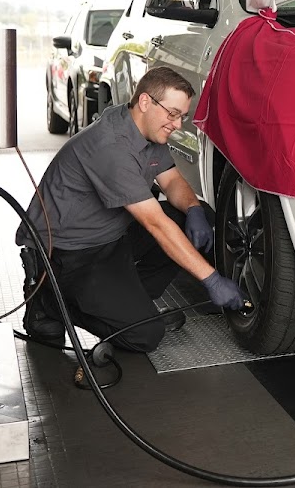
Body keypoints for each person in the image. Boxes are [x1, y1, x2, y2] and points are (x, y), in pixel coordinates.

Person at [19, 66, 246, 352]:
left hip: (110, 237)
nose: (178, 124)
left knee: (194, 215)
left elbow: (173, 181)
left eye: (182, 116)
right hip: (69, 254)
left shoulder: (143, 130)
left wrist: (194, 210)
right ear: (145, 102)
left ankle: (131, 302)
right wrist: (211, 279)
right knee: (144, 336)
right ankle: (50, 299)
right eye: (173, 114)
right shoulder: (111, 147)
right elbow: (155, 224)